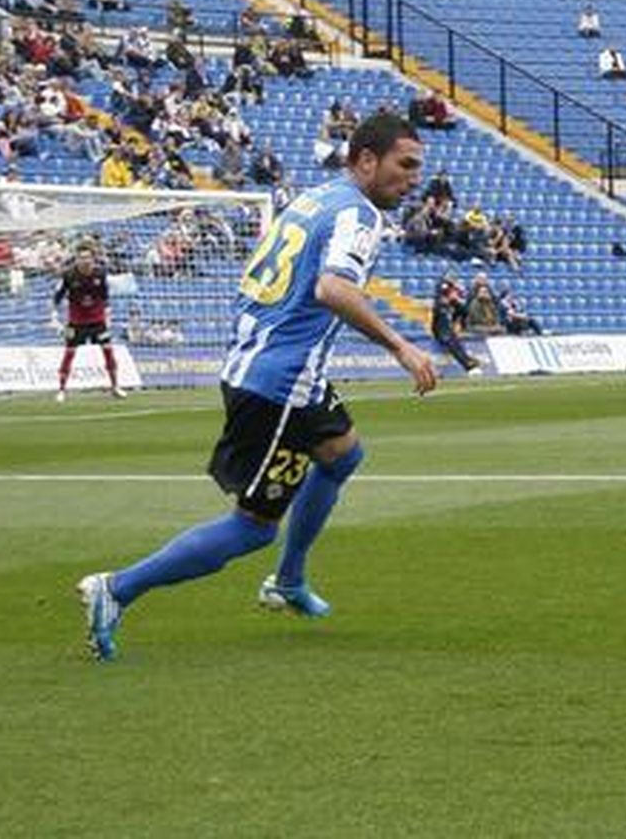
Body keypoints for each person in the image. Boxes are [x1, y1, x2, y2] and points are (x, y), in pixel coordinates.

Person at [76, 114, 438, 662]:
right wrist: (401, 346)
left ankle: (289, 582)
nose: (414, 179)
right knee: (253, 528)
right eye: (405, 165)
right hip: (280, 385)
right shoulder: (358, 215)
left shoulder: (317, 198)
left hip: (286, 371)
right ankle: (117, 588)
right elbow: (333, 287)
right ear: (367, 159)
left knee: (342, 455)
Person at [53, 244, 125, 402]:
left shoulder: (100, 273)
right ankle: (62, 390)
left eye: (87, 257)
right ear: (76, 259)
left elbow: (105, 295)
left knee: (108, 351)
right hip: (76, 321)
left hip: (97, 321)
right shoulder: (69, 275)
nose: (85, 261)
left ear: (93, 259)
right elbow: (58, 296)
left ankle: (115, 387)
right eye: (81, 258)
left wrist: (108, 313)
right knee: (69, 353)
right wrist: (54, 316)